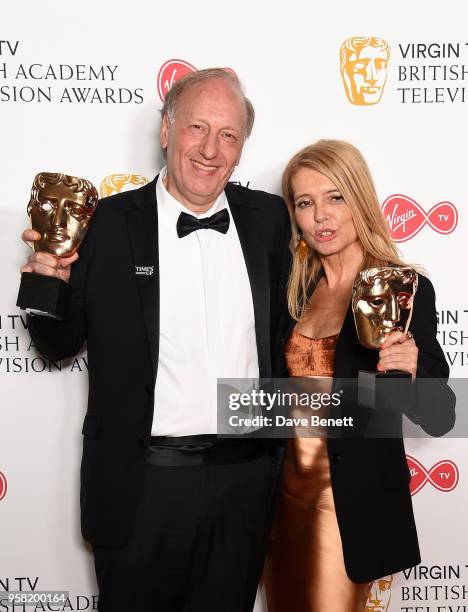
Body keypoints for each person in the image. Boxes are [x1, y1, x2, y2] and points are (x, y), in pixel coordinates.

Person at [20, 68, 290, 612]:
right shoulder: (107, 222)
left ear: (242, 149)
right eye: (196, 127)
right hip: (141, 488)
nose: (211, 149)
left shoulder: (269, 220)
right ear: (166, 130)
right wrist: (46, 279)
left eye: (229, 135)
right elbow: (57, 345)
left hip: (243, 486)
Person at [263, 139, 455, 612]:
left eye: (335, 197)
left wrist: (412, 373)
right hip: (280, 503)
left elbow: (443, 417)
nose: (321, 216)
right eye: (305, 203)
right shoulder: (293, 289)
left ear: (360, 200)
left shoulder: (400, 287)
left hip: (347, 506)